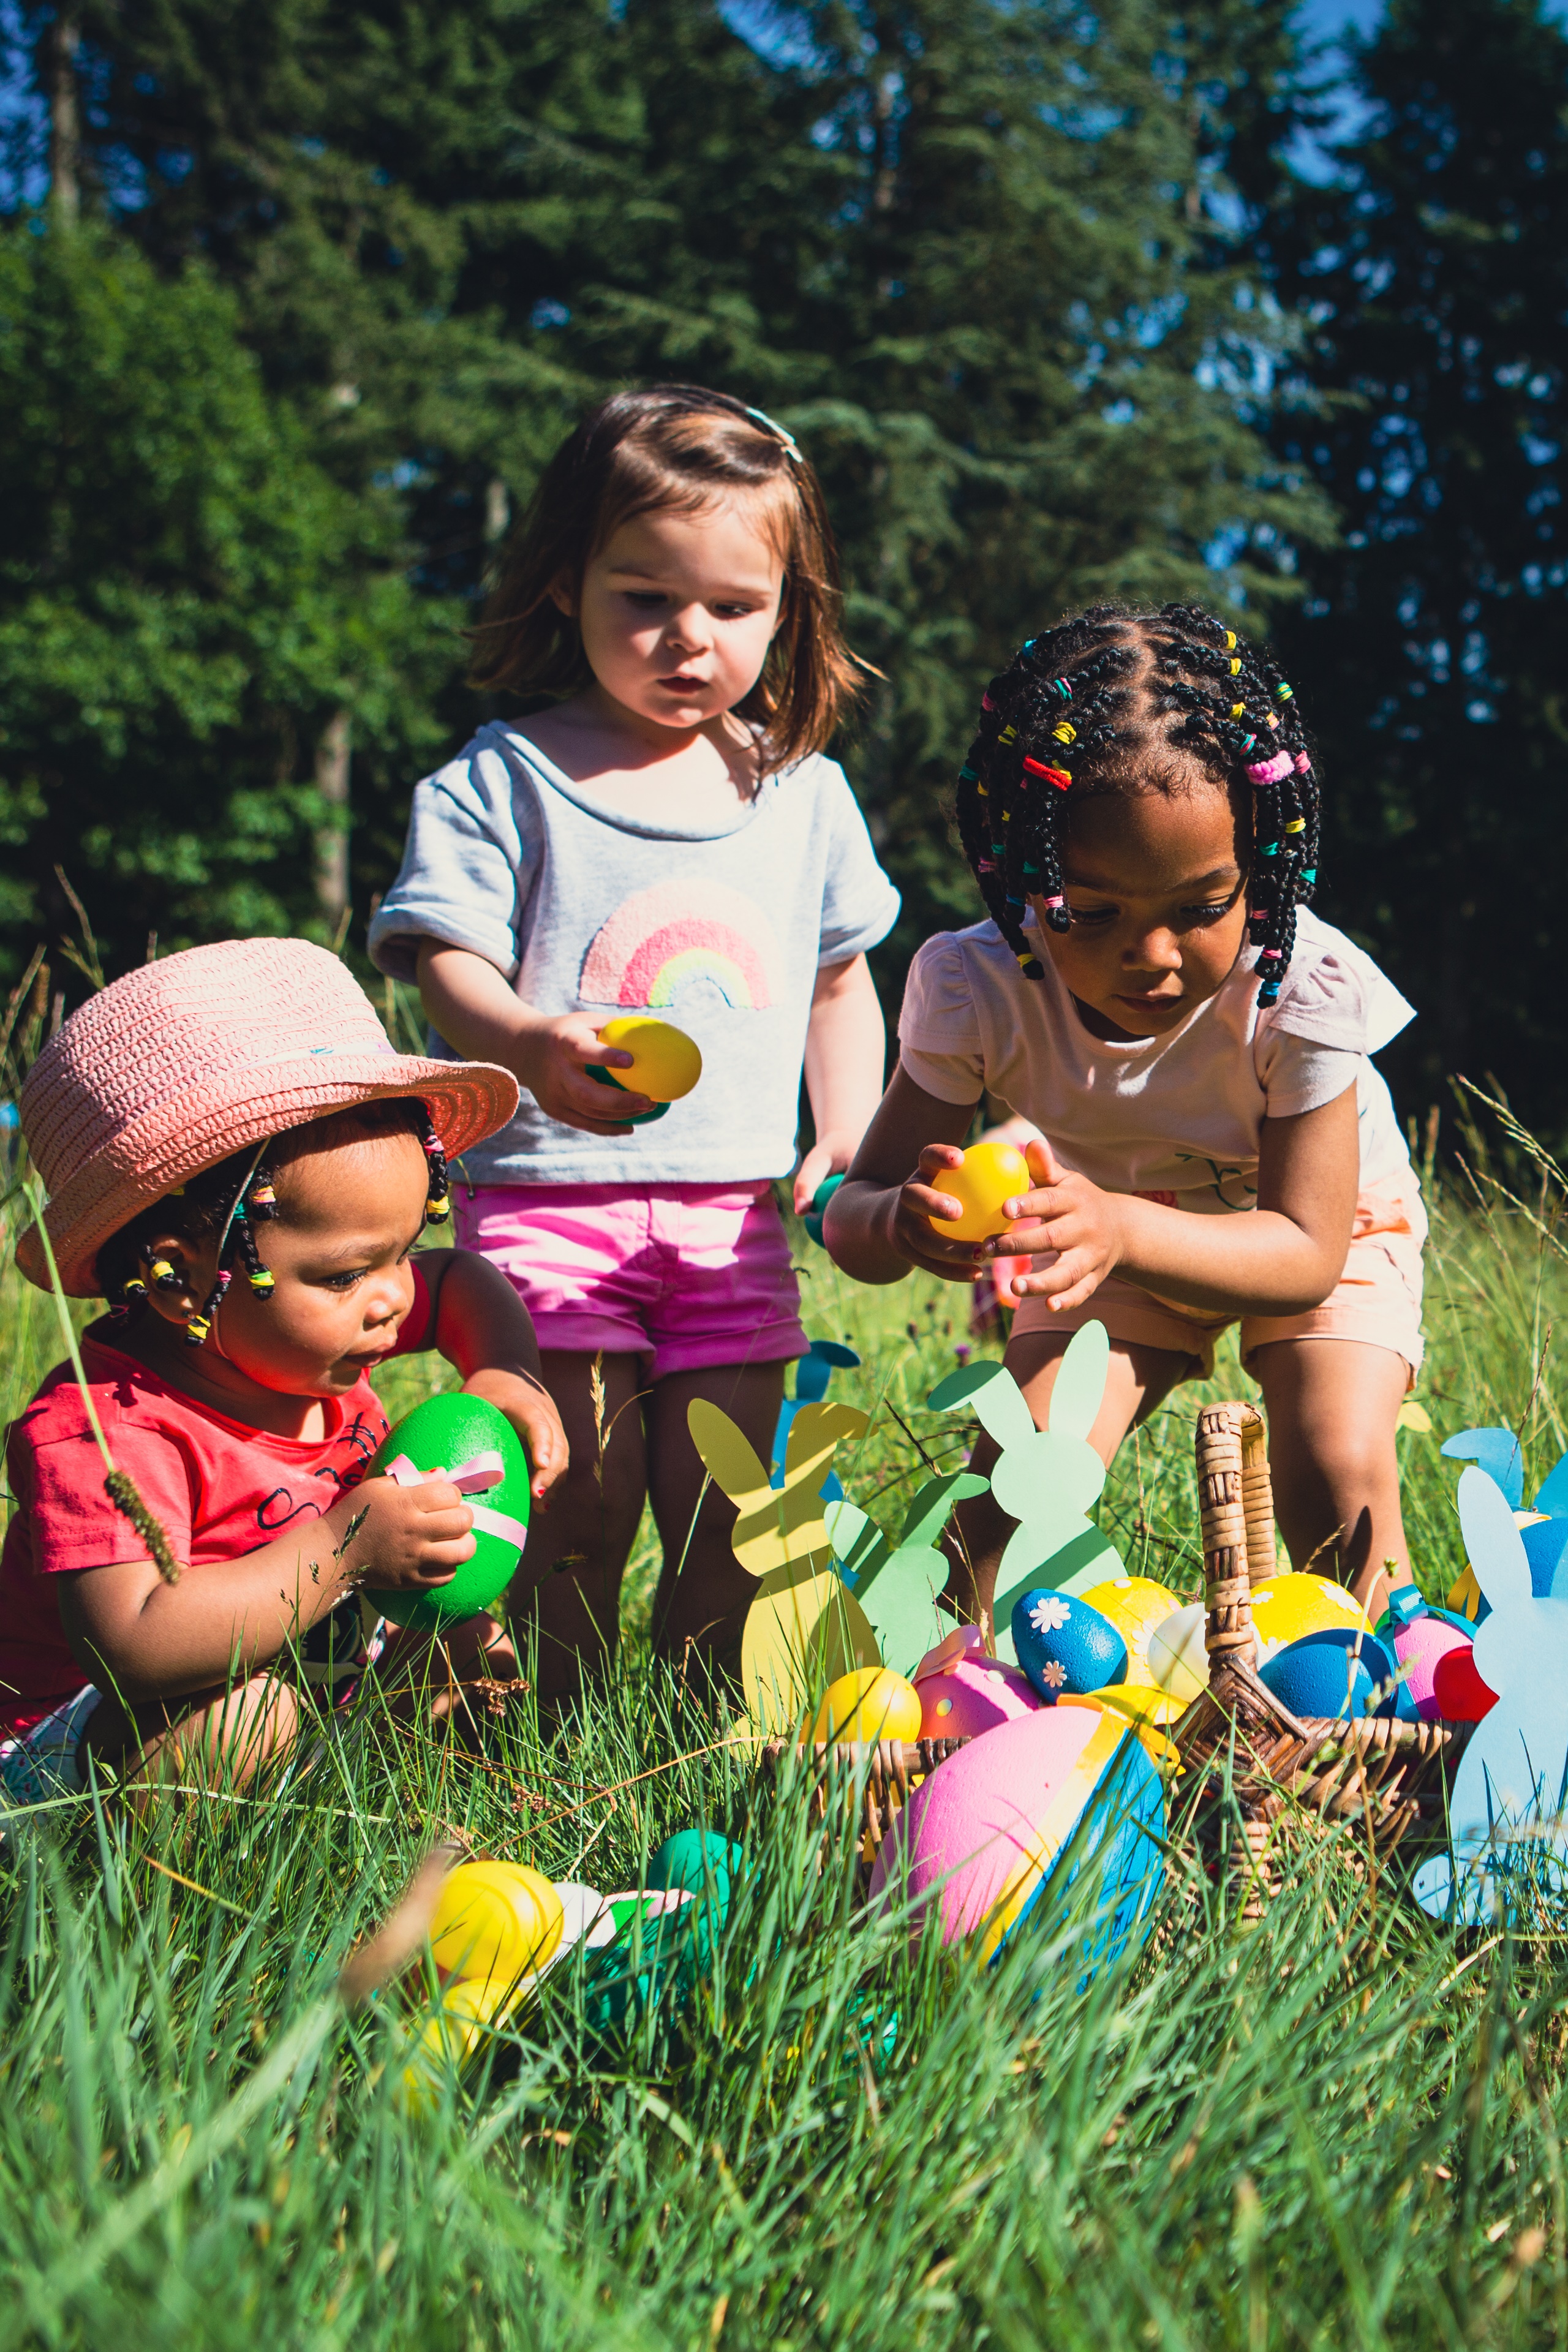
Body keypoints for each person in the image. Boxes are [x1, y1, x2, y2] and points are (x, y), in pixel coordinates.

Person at [369, 386, 899, 1704]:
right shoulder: (503, 778)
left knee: (727, 1517)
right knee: (576, 1508)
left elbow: (840, 985)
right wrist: (525, 1040)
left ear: (791, 608)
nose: (688, 639)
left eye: (732, 607)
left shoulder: (801, 792)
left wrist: (851, 1136)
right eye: (643, 598)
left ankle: (682, 1748)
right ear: (565, 584)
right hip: (550, 1206)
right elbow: (444, 959)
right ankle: (549, 1746)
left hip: (732, 1225)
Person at [825, 603, 1425, 1626]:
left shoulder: (1305, 986)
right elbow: (854, 1212)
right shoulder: (976, 986)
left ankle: (1382, 1723)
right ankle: (953, 1722)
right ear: (1024, 877)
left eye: (1202, 909)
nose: (1152, 958)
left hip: (1312, 1224)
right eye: (1091, 915)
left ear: (1263, 872)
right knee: (1018, 1485)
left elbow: (1305, 1253)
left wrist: (1121, 1226)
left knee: (1337, 1466)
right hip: (1109, 1243)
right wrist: (896, 1221)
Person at [0, 937, 568, 1803]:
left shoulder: (298, 1330)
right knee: (243, 1721)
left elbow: (459, 1283)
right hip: (72, 1754)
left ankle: (386, 1826)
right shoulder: (107, 1427)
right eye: (345, 1274)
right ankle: (171, 1902)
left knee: (466, 1642)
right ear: (183, 1277)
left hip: (300, 1684)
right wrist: (343, 1551)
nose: (389, 1300)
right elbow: (136, 1645)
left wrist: (502, 1372)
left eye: (402, 1253)